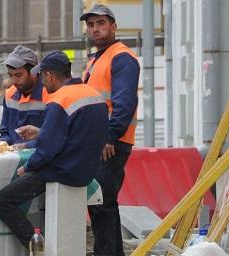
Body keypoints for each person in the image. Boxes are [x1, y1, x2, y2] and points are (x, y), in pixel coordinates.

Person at [0, 50, 108, 248]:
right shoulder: (93, 95)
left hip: (61, 171)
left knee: (1, 201)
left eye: (42, 76)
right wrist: (41, 132)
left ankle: (36, 246)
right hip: (86, 170)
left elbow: (47, 149)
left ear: (49, 75)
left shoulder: (59, 99)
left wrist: (28, 167)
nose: (42, 83)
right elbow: (74, 134)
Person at [81, 4, 140, 255]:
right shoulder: (97, 59)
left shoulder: (121, 56)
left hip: (109, 144)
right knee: (104, 205)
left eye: (101, 24)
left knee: (101, 205)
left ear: (114, 27)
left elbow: (124, 103)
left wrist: (108, 136)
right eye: (91, 25)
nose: (95, 29)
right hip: (100, 142)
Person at [0, 46, 48, 149]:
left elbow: (54, 136)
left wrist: (26, 146)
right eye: (10, 75)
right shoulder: (9, 95)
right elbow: (5, 131)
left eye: (18, 75)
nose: (13, 81)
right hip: (13, 159)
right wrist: (2, 144)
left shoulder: (49, 94)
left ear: (34, 73)